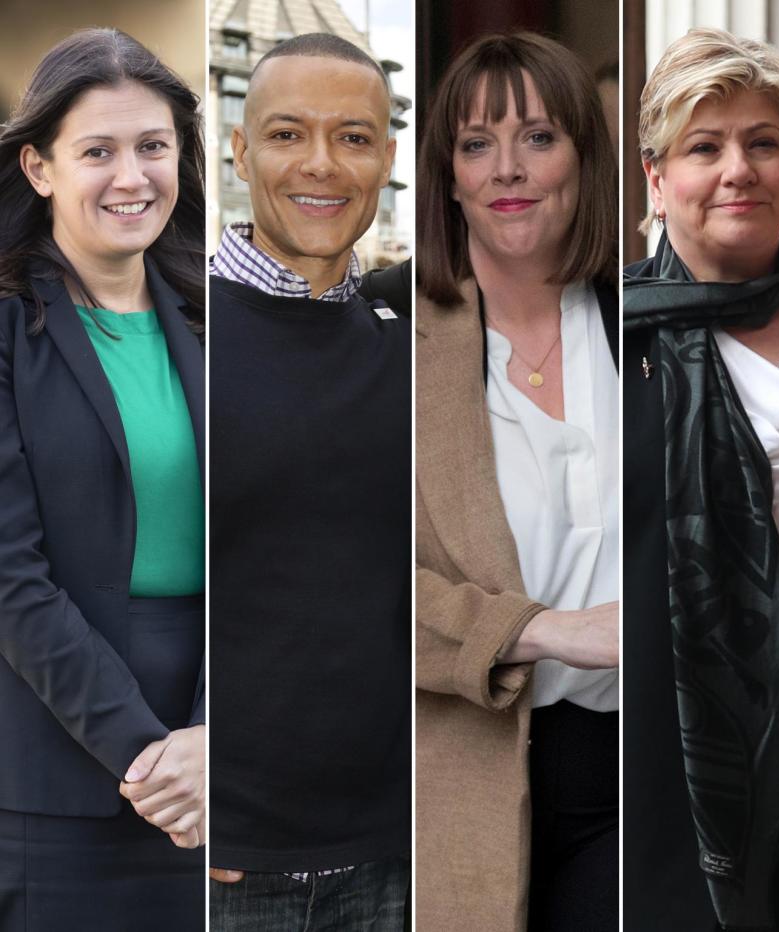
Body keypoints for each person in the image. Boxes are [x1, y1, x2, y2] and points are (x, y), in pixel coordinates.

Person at [0, 28, 205, 931]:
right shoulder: (7, 330)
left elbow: (280, 552)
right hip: (61, 777)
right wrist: (153, 758)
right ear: (40, 167)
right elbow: (9, 579)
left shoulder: (215, 319)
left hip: (221, 767)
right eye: (99, 152)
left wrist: (218, 743)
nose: (133, 177)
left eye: (152, 146)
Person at [415, 32, 619, 932]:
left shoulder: (651, 319)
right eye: (475, 143)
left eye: (538, 137)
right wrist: (541, 630)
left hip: (645, 771)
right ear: (447, 174)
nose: (508, 168)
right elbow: (330, 588)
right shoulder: (386, 338)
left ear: (584, 154)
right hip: (462, 768)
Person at [207, 32, 410, 931]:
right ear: (241, 150)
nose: (322, 165)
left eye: (354, 137)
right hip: (224, 864)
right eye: (288, 135)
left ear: (387, 158)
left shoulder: (412, 340)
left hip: (400, 855)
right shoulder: (173, 328)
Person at [623, 27, 779, 932]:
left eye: (764, 142)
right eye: (704, 147)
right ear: (658, 180)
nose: (738, 168)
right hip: (677, 745)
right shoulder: (602, 338)